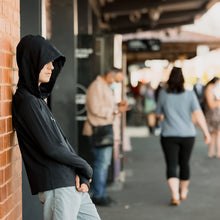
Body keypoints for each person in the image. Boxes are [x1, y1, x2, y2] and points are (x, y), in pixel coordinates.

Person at [12, 35, 100, 220]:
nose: (52, 66)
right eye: (46, 62)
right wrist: (85, 167)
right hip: (58, 186)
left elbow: (61, 143)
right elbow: (51, 147)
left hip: (69, 181)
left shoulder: (37, 100)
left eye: (52, 62)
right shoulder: (26, 101)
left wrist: (80, 172)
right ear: (32, 61)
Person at [156, 67, 210, 206]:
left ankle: (175, 195)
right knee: (184, 163)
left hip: (168, 135)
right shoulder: (190, 94)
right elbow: (199, 115)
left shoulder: (163, 94)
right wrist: (206, 132)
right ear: (183, 79)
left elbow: (158, 115)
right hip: (188, 135)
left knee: (171, 164)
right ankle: (184, 191)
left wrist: (166, 115)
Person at [83, 68, 129, 206]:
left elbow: (104, 105)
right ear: (110, 76)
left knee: (103, 164)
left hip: (104, 130)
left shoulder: (105, 87)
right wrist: (116, 110)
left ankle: (101, 193)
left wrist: (117, 105)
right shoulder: (96, 86)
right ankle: (98, 195)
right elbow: (95, 108)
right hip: (98, 130)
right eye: (116, 80)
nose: (116, 83)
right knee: (101, 164)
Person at [203, 77, 220, 158]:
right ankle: (216, 152)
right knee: (216, 133)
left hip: (215, 114)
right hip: (213, 114)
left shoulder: (212, 88)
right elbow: (211, 104)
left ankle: (212, 152)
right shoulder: (210, 88)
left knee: (214, 134)